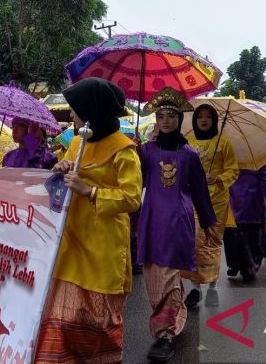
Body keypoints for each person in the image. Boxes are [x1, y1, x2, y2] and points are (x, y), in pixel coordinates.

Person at [34, 78, 142, 364]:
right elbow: (62, 181)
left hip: (104, 248)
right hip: (71, 241)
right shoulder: (77, 142)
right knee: (61, 317)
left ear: (92, 111)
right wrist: (61, 168)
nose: (71, 115)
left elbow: (132, 198)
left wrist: (91, 190)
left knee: (99, 322)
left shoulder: (125, 151)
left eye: (75, 109)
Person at [135, 88, 216, 361]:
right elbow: (134, 182)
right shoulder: (145, 151)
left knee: (167, 276)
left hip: (177, 221)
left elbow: (201, 191)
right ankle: (173, 313)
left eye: (171, 115)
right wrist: (132, 153)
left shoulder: (190, 154)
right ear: (155, 120)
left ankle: (165, 335)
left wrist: (207, 222)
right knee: (153, 277)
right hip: (151, 220)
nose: (165, 120)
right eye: (161, 116)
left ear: (179, 118)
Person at [184, 104, 239, 308]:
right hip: (192, 200)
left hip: (217, 201)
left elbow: (233, 170)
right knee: (194, 242)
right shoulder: (187, 143)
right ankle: (195, 289)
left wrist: (217, 178)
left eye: (208, 117)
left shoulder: (223, 143)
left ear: (214, 121)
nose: (204, 120)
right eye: (200, 117)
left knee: (212, 243)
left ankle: (213, 285)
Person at [225, 163, 266, 282]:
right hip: (229, 199)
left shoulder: (257, 155)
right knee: (232, 234)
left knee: (253, 235)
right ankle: (236, 263)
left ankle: (251, 263)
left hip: (252, 201)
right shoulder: (224, 149)